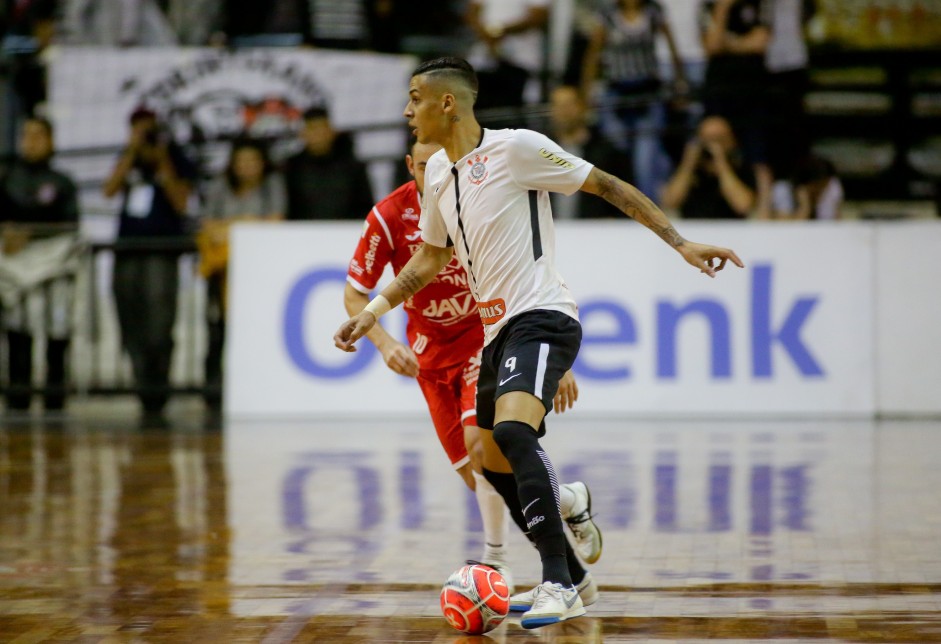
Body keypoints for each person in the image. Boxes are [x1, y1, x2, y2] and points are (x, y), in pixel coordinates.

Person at [333, 56, 743, 628]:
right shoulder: (435, 176)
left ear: (447, 103)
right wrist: (372, 313)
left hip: (542, 314)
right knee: (489, 458)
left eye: (415, 98)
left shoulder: (517, 148)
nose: (406, 110)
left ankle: (556, 580)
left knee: (511, 431)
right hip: (497, 329)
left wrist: (680, 244)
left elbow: (608, 186)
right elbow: (428, 259)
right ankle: (575, 567)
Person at [343, 138, 599, 594]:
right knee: (482, 473)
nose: (430, 175)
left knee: (485, 447)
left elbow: (533, 278)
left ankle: (497, 561)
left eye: (437, 166)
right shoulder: (387, 217)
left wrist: (556, 360)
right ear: (409, 166)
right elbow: (354, 292)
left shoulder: (472, 197)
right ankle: (571, 525)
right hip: (430, 357)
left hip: (486, 341)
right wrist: (382, 343)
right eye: (422, 167)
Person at [103, 107, 197, 427]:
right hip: (128, 250)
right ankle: (143, 386)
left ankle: (159, 388)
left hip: (161, 249)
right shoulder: (128, 157)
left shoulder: (173, 157)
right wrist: (132, 151)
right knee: (130, 320)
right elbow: (109, 190)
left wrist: (162, 162)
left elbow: (182, 201)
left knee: (159, 322)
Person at [197, 139, 285, 415]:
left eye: (253, 161)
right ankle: (214, 392)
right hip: (223, 272)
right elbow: (208, 226)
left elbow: (276, 222)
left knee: (258, 329)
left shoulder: (273, 185)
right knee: (218, 329)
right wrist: (247, 223)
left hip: (261, 273)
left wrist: (232, 227)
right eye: (241, 161)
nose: (247, 167)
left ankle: (259, 388)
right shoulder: (219, 187)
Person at [0, 116, 80, 414]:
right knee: (18, 334)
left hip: (53, 269)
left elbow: (71, 224)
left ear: (51, 141)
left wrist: (30, 233)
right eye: (26, 135)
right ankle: (18, 399)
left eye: (38, 135)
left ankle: (54, 400)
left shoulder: (62, 182)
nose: (31, 141)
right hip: (15, 272)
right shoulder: (7, 178)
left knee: (56, 335)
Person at [580, 0, 688, 198]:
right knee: (616, 147)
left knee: (645, 150)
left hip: (647, 91)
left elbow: (672, 47)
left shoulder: (654, 11)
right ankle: (618, 203)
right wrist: (585, 95)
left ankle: (647, 204)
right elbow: (593, 54)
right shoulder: (607, 15)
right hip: (616, 93)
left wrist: (680, 81)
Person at [699, 0, 773, 216]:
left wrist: (728, 44)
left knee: (758, 149)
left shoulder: (758, 4)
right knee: (712, 135)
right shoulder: (708, 6)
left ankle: (764, 211)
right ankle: (710, 203)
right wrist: (722, 9)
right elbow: (712, 45)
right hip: (719, 87)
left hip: (752, 87)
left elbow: (761, 42)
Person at [546, 84, 632, 219]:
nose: (564, 111)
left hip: (594, 232)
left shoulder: (606, 152)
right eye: (558, 105)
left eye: (569, 105)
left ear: (582, 108)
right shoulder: (541, 153)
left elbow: (625, 198)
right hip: (553, 232)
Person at [284, 107, 374, 221]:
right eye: (313, 129)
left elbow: (366, 207)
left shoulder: (353, 166)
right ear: (303, 133)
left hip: (346, 231)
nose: (318, 134)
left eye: (322, 128)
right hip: (303, 232)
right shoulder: (291, 167)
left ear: (332, 132)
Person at [660, 115, 756, 219]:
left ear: (731, 140)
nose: (711, 145)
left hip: (731, 230)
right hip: (693, 229)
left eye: (718, 139)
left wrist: (721, 163)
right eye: (706, 139)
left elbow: (743, 206)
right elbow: (669, 202)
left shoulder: (742, 166)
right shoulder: (688, 169)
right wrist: (688, 163)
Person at [464, 0, 550, 114]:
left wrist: (499, 31)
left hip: (522, 57)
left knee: (520, 108)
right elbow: (472, 11)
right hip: (485, 54)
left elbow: (539, 15)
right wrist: (486, 34)